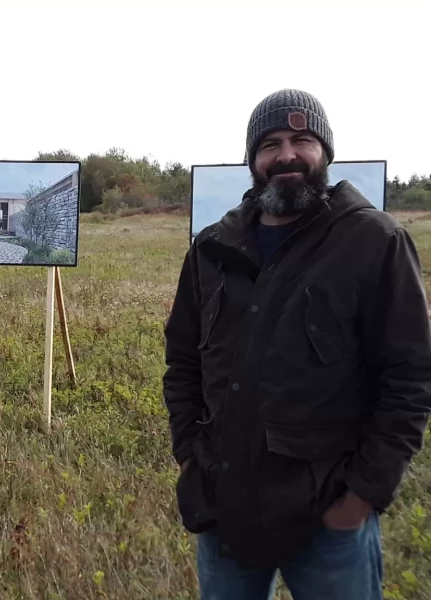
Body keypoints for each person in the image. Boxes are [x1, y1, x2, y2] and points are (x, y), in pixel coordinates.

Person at [163, 89, 431, 599]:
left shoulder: (373, 242)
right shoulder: (212, 249)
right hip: (226, 510)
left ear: (325, 153)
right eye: (270, 144)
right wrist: (191, 457)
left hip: (329, 522)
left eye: (302, 139)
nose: (287, 154)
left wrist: (359, 497)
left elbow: (410, 379)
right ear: (253, 161)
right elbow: (182, 363)